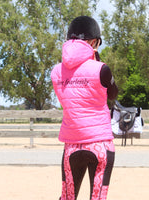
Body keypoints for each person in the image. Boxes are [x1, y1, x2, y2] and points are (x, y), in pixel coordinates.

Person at [51, 16, 118, 200]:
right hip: (100, 143)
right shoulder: (101, 69)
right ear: (95, 42)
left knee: (67, 197)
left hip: (71, 144)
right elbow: (112, 94)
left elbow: (67, 100)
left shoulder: (56, 71)